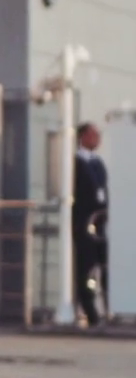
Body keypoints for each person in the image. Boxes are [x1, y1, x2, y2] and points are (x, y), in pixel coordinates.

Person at [75, 122, 110, 327]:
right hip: (84, 222)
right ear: (83, 137)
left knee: (104, 265)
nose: (97, 139)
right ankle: (90, 311)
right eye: (93, 135)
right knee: (86, 267)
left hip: (100, 222)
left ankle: (108, 308)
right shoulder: (76, 162)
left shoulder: (97, 162)